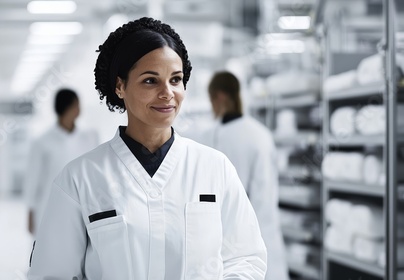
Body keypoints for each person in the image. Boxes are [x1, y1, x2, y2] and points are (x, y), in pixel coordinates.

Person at [28, 17, 267, 280]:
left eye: (175, 80)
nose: (167, 93)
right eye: (150, 81)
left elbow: (246, 258)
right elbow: (51, 274)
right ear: (120, 87)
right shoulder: (79, 178)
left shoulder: (214, 167)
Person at [202, 71, 289, 280]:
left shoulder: (256, 137)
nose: (212, 107)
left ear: (220, 97)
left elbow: (262, 202)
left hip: (254, 240)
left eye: (212, 99)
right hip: (229, 242)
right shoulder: (254, 135)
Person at [24, 88, 99, 235]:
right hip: (48, 207)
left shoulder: (88, 138)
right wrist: (30, 212)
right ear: (69, 108)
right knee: (49, 251)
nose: (79, 109)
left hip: (81, 208)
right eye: (77, 105)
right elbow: (32, 179)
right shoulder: (42, 142)